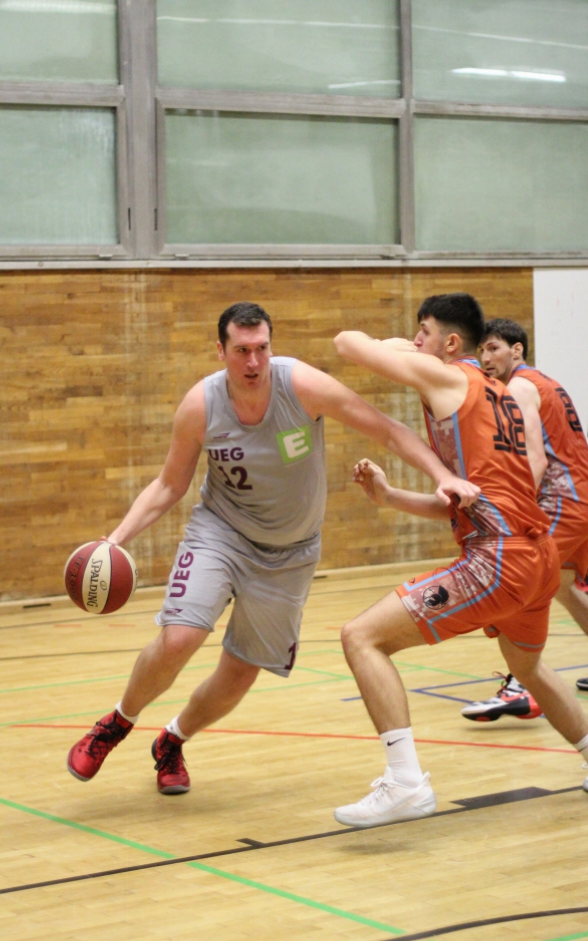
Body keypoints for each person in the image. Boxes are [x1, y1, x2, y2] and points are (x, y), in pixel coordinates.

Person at [67, 301, 479, 795]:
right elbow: (168, 485)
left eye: (261, 348)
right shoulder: (201, 405)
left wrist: (442, 475)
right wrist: (116, 539)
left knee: (241, 672)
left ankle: (173, 741)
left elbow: (387, 430)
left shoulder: (301, 386)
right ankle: (116, 723)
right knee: (179, 637)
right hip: (221, 533)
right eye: (241, 351)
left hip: (290, 552)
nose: (253, 361)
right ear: (220, 351)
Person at [331, 293, 588, 829]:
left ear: (450, 343)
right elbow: (469, 500)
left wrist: (394, 346)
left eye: (422, 331)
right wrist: (390, 497)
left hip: (500, 560)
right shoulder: (497, 394)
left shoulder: (453, 378)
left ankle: (406, 783)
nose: (415, 341)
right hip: (536, 557)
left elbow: (346, 343)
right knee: (527, 668)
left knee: (361, 637)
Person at [459, 318, 588, 720]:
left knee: (520, 581)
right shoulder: (545, 382)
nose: (486, 358)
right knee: (563, 587)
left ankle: (523, 687)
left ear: (517, 350)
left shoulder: (517, 388)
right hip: (580, 498)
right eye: (481, 350)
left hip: (562, 502)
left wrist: (512, 511)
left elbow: (534, 459)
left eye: (494, 348)